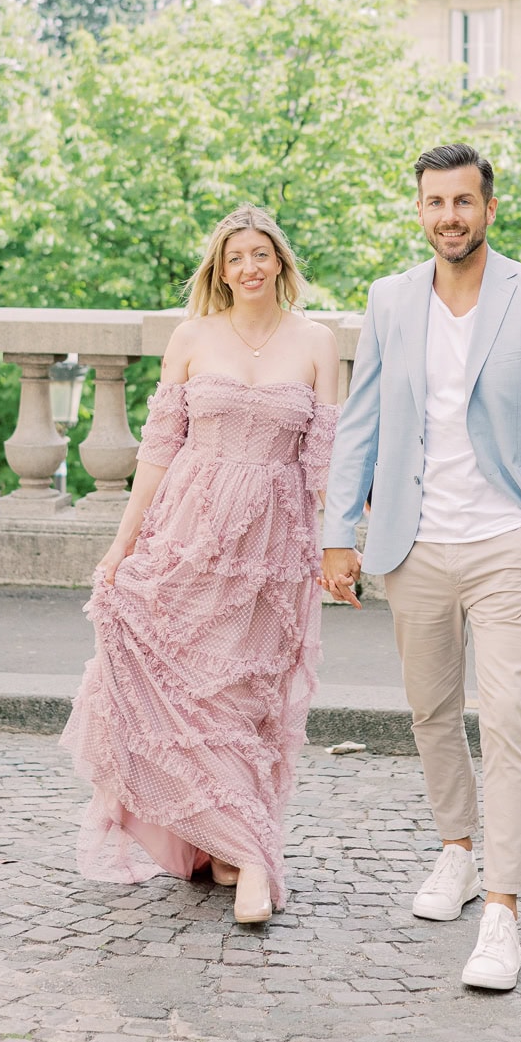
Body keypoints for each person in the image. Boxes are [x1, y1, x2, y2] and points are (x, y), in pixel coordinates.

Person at [320, 144, 521, 991]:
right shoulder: (390, 299)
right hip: (413, 544)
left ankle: (502, 911)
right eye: (434, 201)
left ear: (490, 207)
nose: (449, 214)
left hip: (508, 547)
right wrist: (341, 533)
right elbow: (361, 422)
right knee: (431, 711)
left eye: (463, 200)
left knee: (511, 720)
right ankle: (455, 848)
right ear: (419, 209)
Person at [61, 205, 339, 924]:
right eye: (235, 256)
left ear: (280, 260)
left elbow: (323, 464)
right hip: (188, 532)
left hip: (269, 551)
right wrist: (122, 544)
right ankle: (230, 844)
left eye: (261, 253)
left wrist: (336, 546)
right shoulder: (191, 337)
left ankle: (240, 848)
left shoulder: (316, 342)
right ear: (220, 268)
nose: (250, 266)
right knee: (187, 685)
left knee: (241, 698)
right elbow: (158, 449)